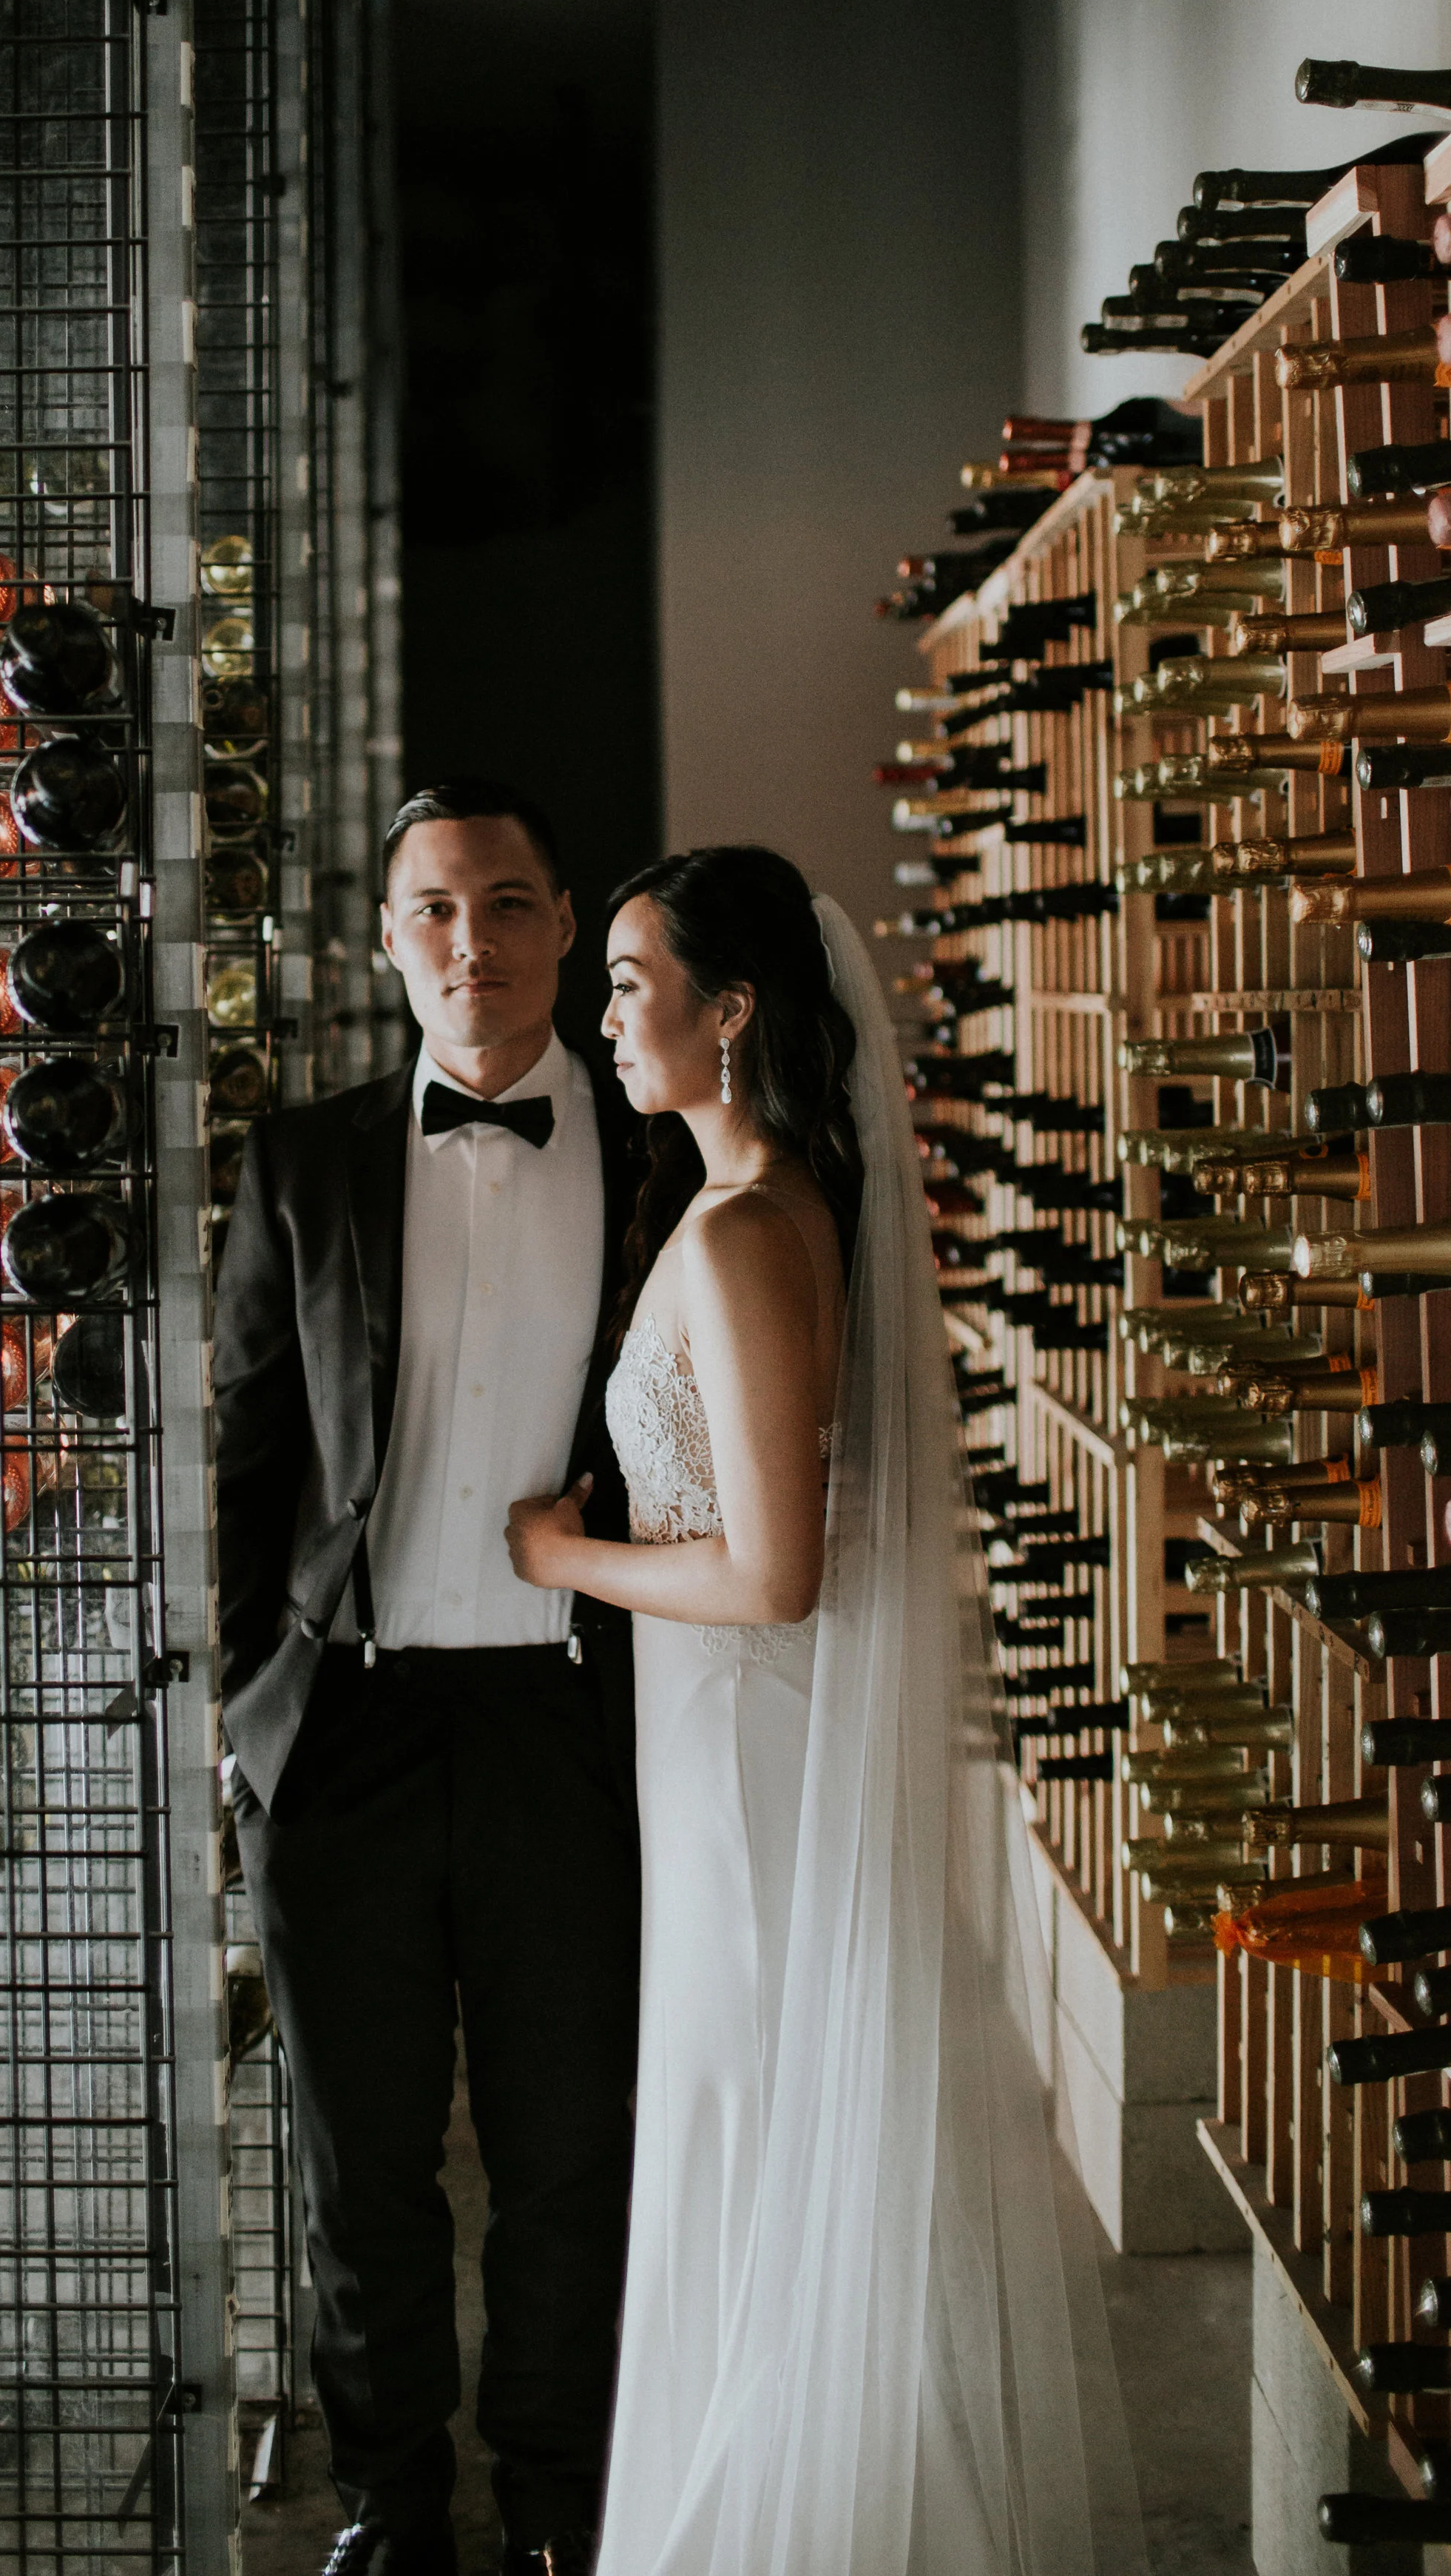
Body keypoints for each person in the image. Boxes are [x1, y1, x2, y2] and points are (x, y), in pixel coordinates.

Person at [507, 847, 1146, 2576]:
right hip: (731, 1745)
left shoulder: (742, 1231)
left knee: (752, 2117)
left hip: (744, 1754)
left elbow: (776, 1572)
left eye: (630, 983)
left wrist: (564, 1556)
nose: (604, 1017)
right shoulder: (767, 1204)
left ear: (731, 1011)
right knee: (768, 2128)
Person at [213, 780, 643, 2576]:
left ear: (567, 924)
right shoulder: (301, 1162)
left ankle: (555, 2501)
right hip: (349, 1732)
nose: (476, 943)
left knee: (568, 2154)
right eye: (438, 910)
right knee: (360, 2164)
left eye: (511, 903)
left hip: (576, 1729)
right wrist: (251, 1716)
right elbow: (243, 1456)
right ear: (389, 937)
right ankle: (393, 2506)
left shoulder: (662, 1160)